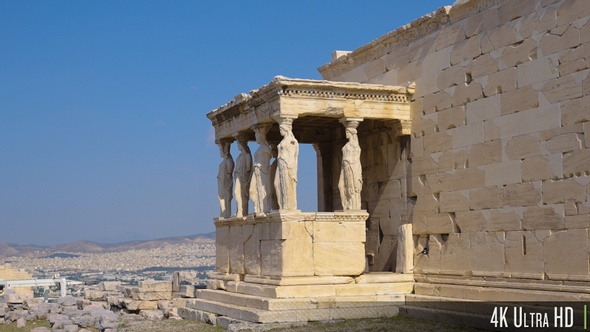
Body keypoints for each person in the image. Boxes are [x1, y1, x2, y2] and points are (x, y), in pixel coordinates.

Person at [274, 119, 299, 211]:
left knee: (287, 184)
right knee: (276, 184)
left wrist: (292, 169)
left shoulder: (292, 141)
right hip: (280, 163)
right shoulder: (283, 141)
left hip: (286, 164)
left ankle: (288, 207)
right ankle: (282, 205)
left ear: (286, 129)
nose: (280, 131)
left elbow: (294, 155)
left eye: (282, 129)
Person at [249, 128, 272, 214]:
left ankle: (263, 209)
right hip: (256, 171)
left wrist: (264, 171)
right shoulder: (260, 148)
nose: (256, 138)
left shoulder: (266, 148)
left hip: (263, 171)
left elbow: (267, 162)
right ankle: (257, 207)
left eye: (257, 136)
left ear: (261, 136)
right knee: (251, 190)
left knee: (263, 189)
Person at [339, 126, 362, 210]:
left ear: (352, 134)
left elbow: (356, 158)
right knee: (341, 186)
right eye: (346, 132)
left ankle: (353, 207)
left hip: (351, 167)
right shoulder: (347, 145)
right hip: (344, 167)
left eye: (348, 132)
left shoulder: (355, 145)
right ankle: (346, 206)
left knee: (351, 187)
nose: (346, 134)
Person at [234, 138, 252, 217]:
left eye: (239, 145)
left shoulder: (247, 156)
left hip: (243, 177)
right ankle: (239, 210)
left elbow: (248, 168)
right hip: (238, 176)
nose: (238, 146)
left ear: (243, 145)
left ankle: (243, 211)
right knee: (237, 192)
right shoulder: (239, 156)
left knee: (242, 194)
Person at [217, 141, 234, 218]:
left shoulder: (228, 160)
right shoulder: (225, 160)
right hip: (221, 181)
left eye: (221, 149)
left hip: (226, 181)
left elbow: (229, 171)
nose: (220, 152)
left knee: (226, 197)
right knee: (220, 196)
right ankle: (224, 213)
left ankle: (226, 213)